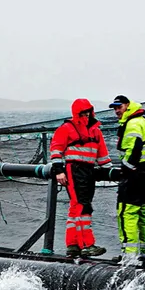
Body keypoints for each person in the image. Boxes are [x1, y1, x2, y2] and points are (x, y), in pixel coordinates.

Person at [50, 99, 112, 258]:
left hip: (89, 170)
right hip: (74, 169)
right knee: (83, 207)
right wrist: (59, 171)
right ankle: (87, 245)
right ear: (77, 113)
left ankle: (73, 245)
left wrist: (109, 171)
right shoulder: (67, 128)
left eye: (88, 112)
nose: (86, 115)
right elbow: (56, 149)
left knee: (76, 207)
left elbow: (103, 155)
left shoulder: (96, 131)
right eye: (83, 112)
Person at [109, 95, 145, 261]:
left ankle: (128, 256)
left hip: (135, 174)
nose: (116, 111)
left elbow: (134, 149)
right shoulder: (143, 122)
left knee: (126, 212)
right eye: (114, 108)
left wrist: (127, 170)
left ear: (128, 106)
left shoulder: (132, 124)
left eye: (119, 107)